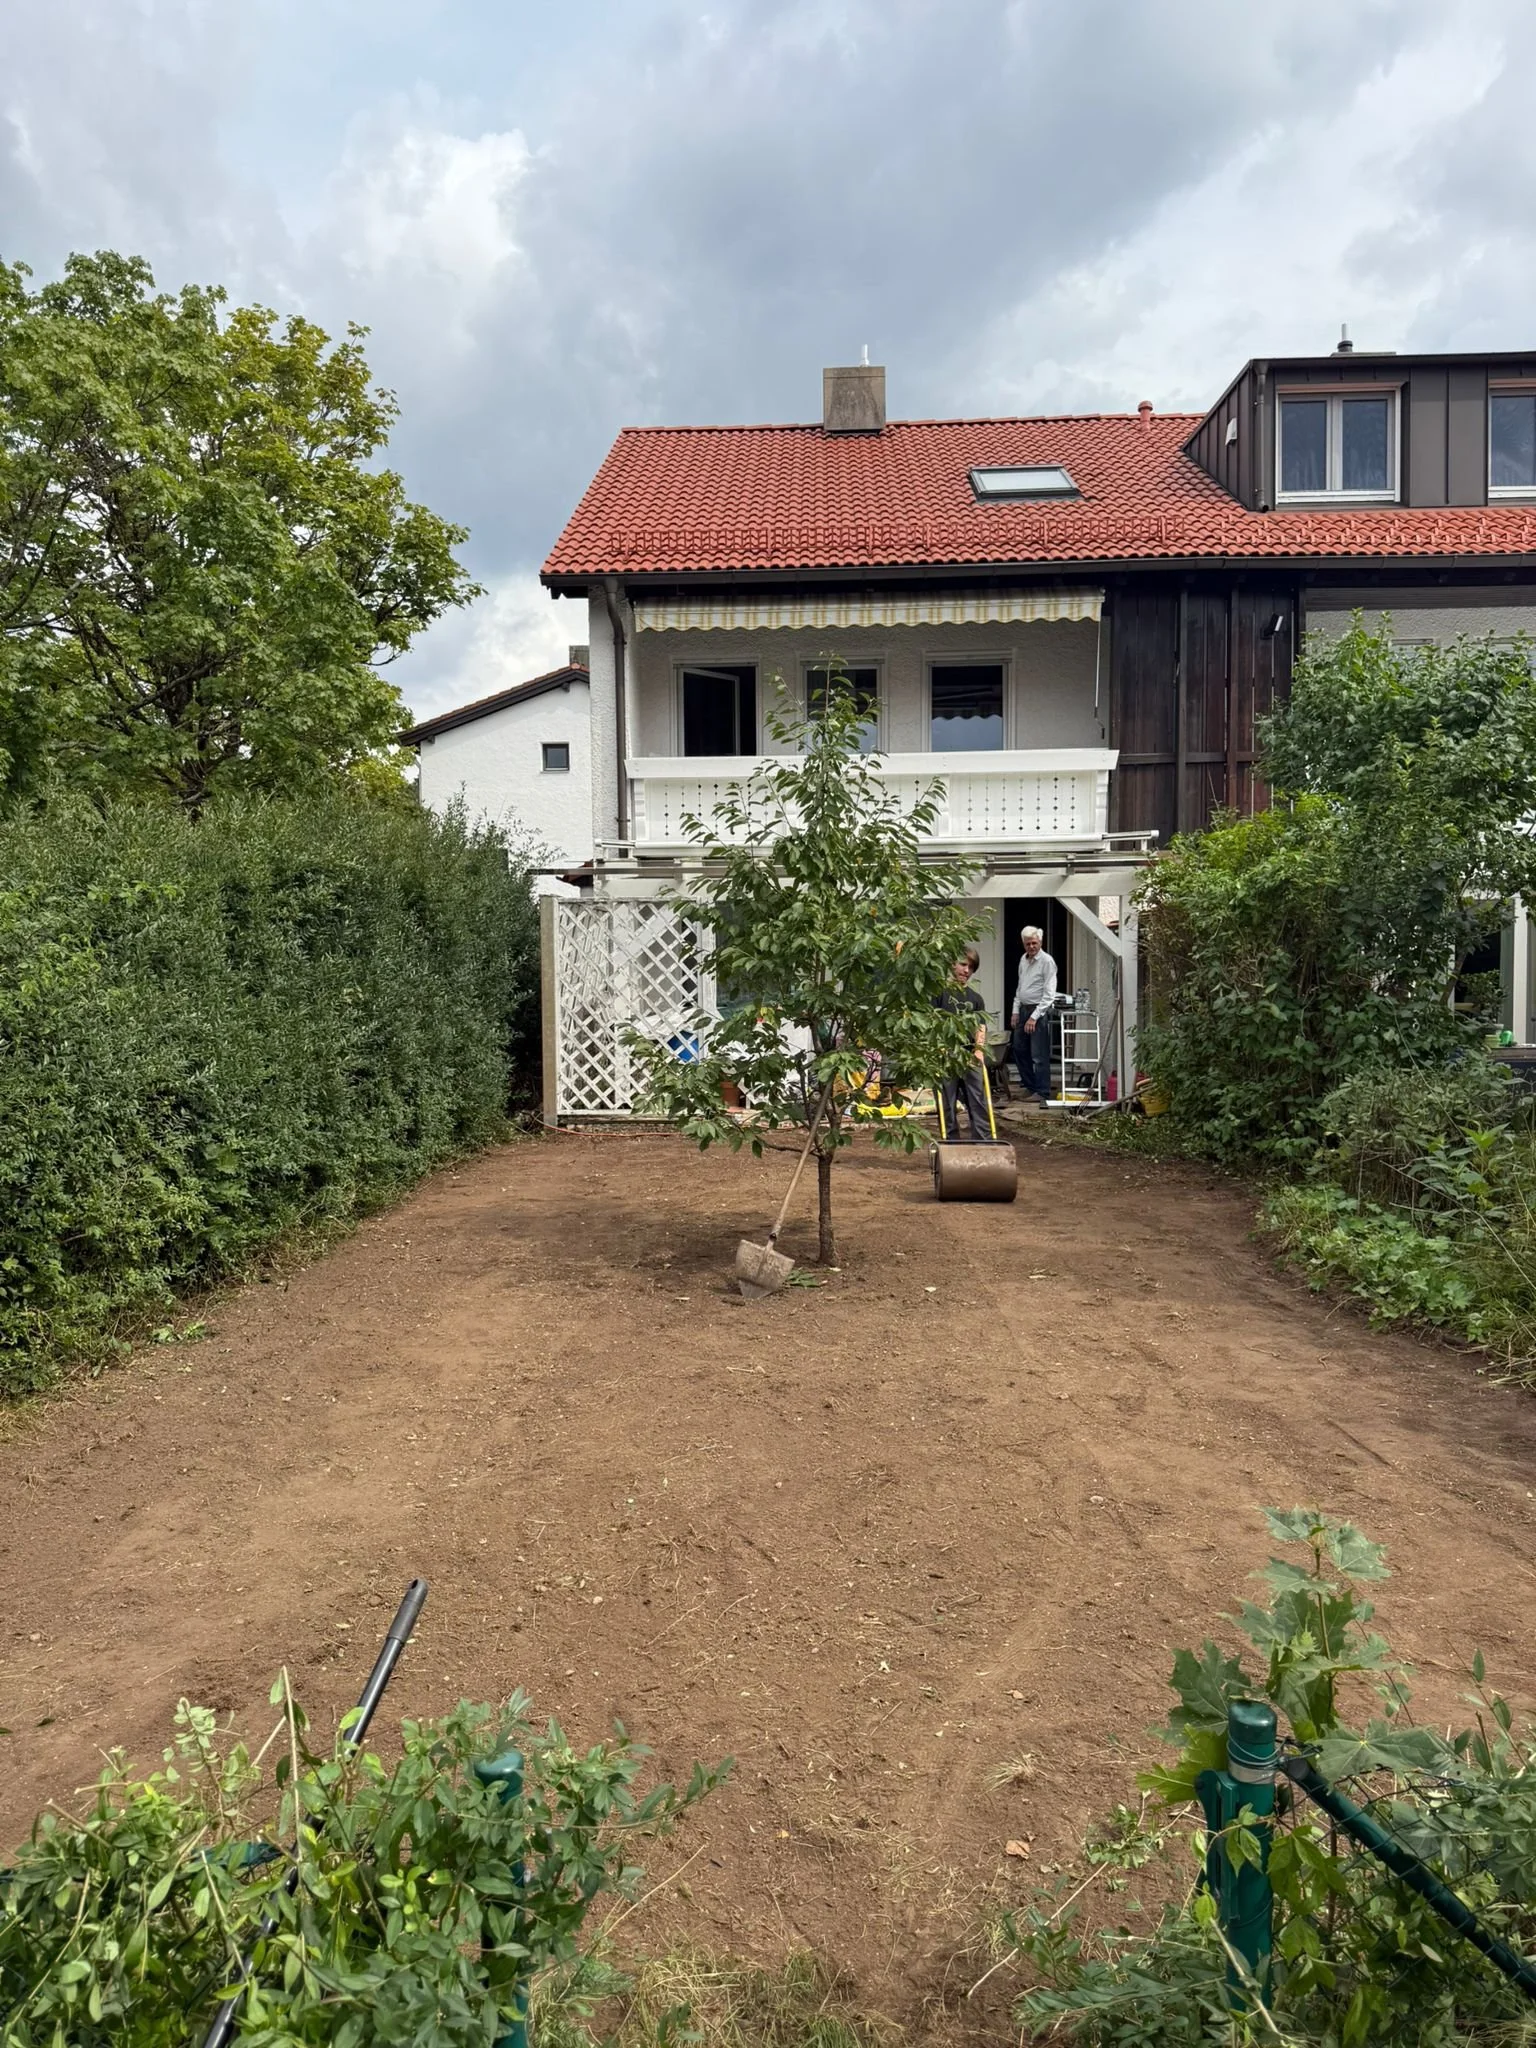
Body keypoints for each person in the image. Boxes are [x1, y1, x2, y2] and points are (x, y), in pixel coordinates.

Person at [935, 946, 990, 1140]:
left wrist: (979, 1050)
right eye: (963, 965)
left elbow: (980, 1026)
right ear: (953, 964)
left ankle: (983, 1140)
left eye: (971, 967)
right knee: (947, 1102)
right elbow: (932, 1022)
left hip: (970, 1054)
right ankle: (951, 1141)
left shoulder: (976, 999)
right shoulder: (940, 993)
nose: (967, 971)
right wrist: (938, 1047)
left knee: (977, 1099)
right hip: (946, 1054)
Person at [1009, 925, 1057, 1103]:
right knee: (1019, 1048)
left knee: (1038, 1054)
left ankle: (1042, 1091)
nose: (1031, 947)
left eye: (1034, 943)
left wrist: (1034, 1017)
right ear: (1023, 944)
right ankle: (1030, 1086)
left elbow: (1049, 994)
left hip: (1038, 1011)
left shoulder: (1047, 961)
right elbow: (1020, 987)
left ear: (1041, 942)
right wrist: (1015, 1011)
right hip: (1023, 1009)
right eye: (1028, 944)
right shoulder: (1023, 959)